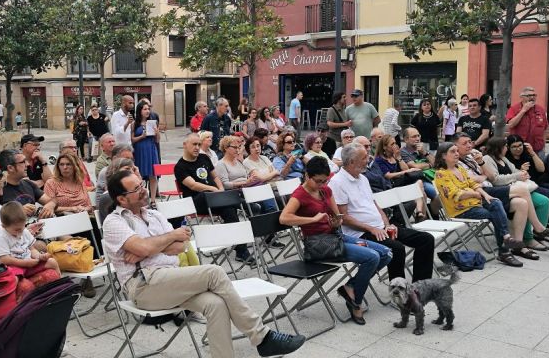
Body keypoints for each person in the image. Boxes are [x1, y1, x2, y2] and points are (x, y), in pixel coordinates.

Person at [102, 169, 306, 358]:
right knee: (214, 272)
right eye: (136, 189)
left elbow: (180, 247)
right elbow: (158, 244)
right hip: (144, 287)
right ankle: (261, 336)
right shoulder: (114, 222)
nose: (143, 190)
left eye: (141, 184)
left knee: (215, 304)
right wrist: (169, 236)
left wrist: (147, 248)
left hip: (171, 279)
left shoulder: (153, 215)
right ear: (122, 199)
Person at [281, 156, 392, 325]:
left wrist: (336, 221)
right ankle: (356, 302)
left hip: (336, 237)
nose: (322, 184)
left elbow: (337, 217)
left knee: (386, 253)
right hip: (319, 244)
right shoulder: (299, 195)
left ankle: (351, 287)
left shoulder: (326, 190)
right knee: (372, 257)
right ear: (306, 176)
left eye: (325, 180)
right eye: (318, 181)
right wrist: (311, 220)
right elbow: (284, 218)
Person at [331, 143, 435, 282]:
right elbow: (344, 217)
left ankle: (421, 286)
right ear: (351, 162)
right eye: (364, 157)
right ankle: (399, 293)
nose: (368, 160)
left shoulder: (362, 178)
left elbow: (375, 205)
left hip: (379, 227)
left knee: (426, 239)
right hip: (361, 233)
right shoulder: (337, 182)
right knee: (396, 249)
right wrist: (372, 228)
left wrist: (387, 224)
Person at [433, 142, 524, 267]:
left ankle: (507, 238)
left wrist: (485, 195)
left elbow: (473, 184)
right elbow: (456, 194)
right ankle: (504, 251)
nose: (457, 154)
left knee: (495, 202)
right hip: (461, 210)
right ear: (443, 156)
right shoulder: (441, 174)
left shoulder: (459, 167)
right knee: (495, 214)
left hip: (476, 203)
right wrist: (475, 194)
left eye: (456, 151)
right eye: (452, 152)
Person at [175, 133, 254, 264]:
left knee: (230, 211)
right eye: (194, 144)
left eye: (199, 144)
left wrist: (221, 190)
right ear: (185, 145)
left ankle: (242, 251)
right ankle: (241, 203)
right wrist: (213, 190)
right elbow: (193, 185)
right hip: (196, 201)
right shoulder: (180, 166)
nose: (197, 147)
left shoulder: (204, 158)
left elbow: (215, 176)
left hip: (216, 200)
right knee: (214, 197)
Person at [482, 137, 549, 249]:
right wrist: (517, 176)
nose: (507, 148)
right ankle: (529, 237)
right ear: (498, 148)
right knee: (524, 203)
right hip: (504, 192)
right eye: (506, 146)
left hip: (517, 188)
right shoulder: (487, 159)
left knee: (544, 201)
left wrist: (523, 174)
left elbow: (516, 171)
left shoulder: (503, 158)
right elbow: (495, 180)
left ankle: (538, 234)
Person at [0, 201, 59, 290]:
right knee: (14, 280)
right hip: (13, 266)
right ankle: (13, 298)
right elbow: (4, 259)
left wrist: (40, 256)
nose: (20, 232)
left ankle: (61, 287)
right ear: (3, 226)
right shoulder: (1, 237)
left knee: (52, 262)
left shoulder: (24, 231)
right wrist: (24, 263)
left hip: (28, 263)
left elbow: (32, 249)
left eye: (22, 227)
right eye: (16, 230)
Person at [373, 134, 428, 217]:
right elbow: (388, 175)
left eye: (395, 143)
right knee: (421, 192)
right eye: (392, 144)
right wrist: (404, 172)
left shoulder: (396, 156)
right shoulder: (380, 159)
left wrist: (399, 158)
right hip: (391, 186)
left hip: (401, 183)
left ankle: (419, 213)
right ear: (384, 147)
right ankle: (421, 216)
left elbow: (405, 170)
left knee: (420, 186)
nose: (395, 146)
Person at [0, 149, 56, 219]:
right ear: (10, 168)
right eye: (23, 162)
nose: (27, 164)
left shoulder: (28, 184)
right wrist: (17, 211)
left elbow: (52, 200)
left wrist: (51, 205)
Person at [507, 86, 549, 154]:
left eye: (534, 95)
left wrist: (544, 145)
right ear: (522, 97)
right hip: (520, 149)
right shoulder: (514, 109)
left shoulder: (540, 109)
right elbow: (511, 125)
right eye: (529, 95)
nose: (532, 97)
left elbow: (545, 129)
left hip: (538, 149)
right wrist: (523, 110)